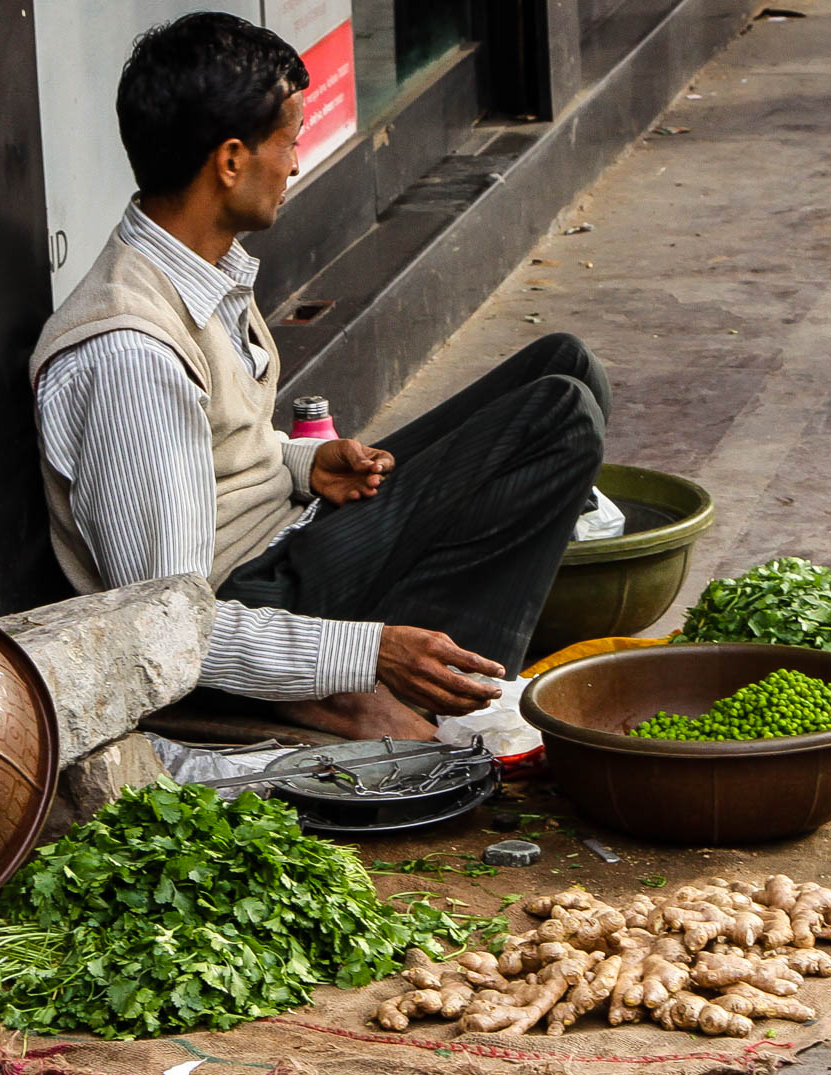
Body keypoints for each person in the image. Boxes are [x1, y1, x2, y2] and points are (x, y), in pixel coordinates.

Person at [30, 12, 608, 740]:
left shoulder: (196, 272)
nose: (297, 164)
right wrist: (368, 652)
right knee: (561, 419)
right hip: (249, 605)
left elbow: (207, 453)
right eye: (288, 143)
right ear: (230, 161)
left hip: (287, 544)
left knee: (566, 365)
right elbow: (164, 623)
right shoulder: (131, 357)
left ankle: (418, 678)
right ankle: (432, 694)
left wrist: (299, 464)